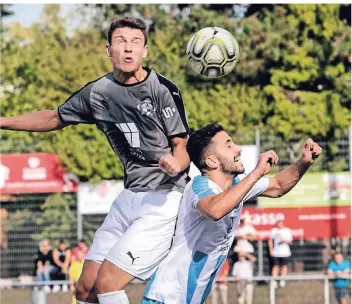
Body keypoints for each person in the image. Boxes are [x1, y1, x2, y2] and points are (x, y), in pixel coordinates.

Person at [0, 17, 190, 304]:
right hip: (129, 197)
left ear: (145, 52)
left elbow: (182, 146)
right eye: (121, 42)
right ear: (108, 49)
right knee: (85, 289)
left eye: (135, 43)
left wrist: (177, 162)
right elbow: (54, 117)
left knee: (108, 283)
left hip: (163, 201)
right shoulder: (98, 93)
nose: (128, 49)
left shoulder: (162, 90)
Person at [142, 123, 322, 303]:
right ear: (212, 161)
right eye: (229, 145)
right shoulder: (199, 185)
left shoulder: (238, 184)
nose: (238, 149)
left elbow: (278, 186)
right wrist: (256, 173)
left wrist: (304, 162)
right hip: (166, 298)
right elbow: (215, 210)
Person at [268, 219, 292, 288]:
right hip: (276, 252)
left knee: (284, 266)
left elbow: (290, 241)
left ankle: (282, 280)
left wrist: (284, 240)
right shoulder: (274, 231)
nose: (279, 224)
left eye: (281, 223)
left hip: (285, 252)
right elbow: (270, 240)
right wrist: (271, 250)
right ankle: (274, 281)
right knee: (276, 266)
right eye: (278, 223)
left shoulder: (287, 231)